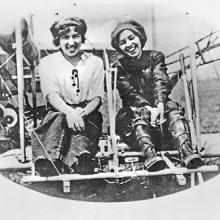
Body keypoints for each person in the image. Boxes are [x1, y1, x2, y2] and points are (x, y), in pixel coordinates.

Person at [111, 20, 203, 172]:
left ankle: (186, 151)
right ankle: (149, 155)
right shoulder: (118, 67)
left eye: (131, 38)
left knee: (173, 112)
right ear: (119, 47)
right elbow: (129, 93)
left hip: (160, 109)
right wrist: (149, 109)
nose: (129, 44)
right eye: (123, 42)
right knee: (138, 117)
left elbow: (160, 80)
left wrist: (159, 105)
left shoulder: (156, 57)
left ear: (140, 37)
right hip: (134, 111)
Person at [32, 17, 104, 176]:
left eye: (75, 36)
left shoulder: (95, 62)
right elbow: (51, 94)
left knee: (83, 131)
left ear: (82, 38)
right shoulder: (47, 62)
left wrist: (81, 113)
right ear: (58, 40)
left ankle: (82, 160)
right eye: (65, 37)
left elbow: (97, 97)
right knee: (57, 121)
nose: (71, 42)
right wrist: (70, 113)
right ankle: (48, 160)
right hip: (57, 111)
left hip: (87, 112)